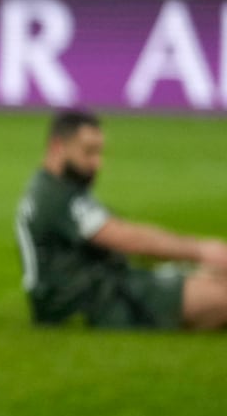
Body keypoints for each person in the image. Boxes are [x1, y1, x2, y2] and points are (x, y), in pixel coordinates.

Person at [15, 109, 227, 329]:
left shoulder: (54, 188)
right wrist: (200, 251)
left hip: (105, 288)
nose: (98, 163)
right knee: (221, 296)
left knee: (217, 280)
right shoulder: (54, 196)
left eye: (99, 153)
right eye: (89, 152)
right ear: (58, 147)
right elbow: (127, 238)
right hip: (94, 303)